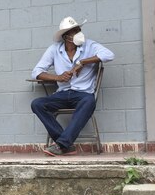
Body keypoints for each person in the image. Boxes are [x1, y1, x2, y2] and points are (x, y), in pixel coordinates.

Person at [31, 17, 115, 157]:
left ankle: (62, 144)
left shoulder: (89, 45)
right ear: (66, 37)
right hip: (62, 93)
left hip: (83, 94)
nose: (78, 33)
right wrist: (57, 77)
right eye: (74, 31)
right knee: (37, 104)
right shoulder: (54, 50)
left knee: (89, 101)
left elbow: (109, 55)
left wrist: (83, 62)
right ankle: (65, 144)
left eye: (78, 30)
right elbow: (36, 72)